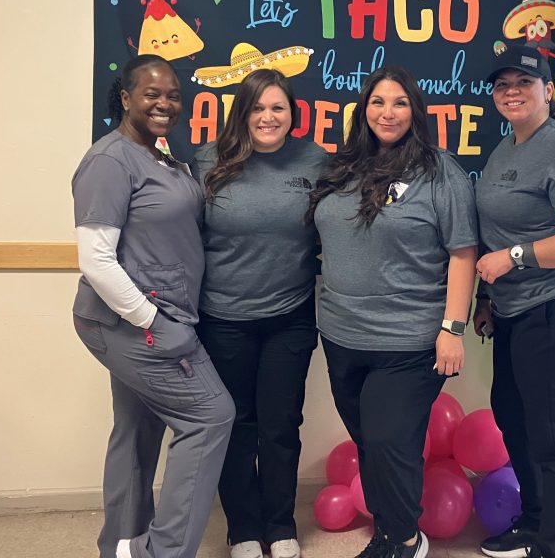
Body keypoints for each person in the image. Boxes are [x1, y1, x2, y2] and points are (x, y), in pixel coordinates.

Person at [307, 66, 478, 558]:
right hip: (341, 335)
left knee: (389, 442)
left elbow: (462, 252)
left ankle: (404, 539)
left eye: (400, 102)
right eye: (378, 102)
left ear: (415, 111)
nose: (388, 112)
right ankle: (388, 528)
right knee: (368, 441)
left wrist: (452, 329)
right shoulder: (341, 167)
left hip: (410, 339)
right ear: (364, 109)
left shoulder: (438, 169)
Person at [71, 54, 235, 558]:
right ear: (125, 98)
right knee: (211, 416)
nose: (165, 103)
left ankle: (122, 546)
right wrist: (153, 323)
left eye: (173, 95)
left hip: (159, 315)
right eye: (151, 93)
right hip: (129, 321)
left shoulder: (162, 155)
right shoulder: (109, 160)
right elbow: (96, 260)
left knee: (138, 430)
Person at [473, 44, 555, 558]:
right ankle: (532, 521)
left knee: (553, 435)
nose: (511, 92)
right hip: (512, 310)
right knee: (514, 417)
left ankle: (552, 545)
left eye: (523, 83)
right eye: (502, 85)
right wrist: (489, 296)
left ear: (547, 90)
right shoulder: (508, 148)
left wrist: (514, 256)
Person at [192, 69, 327, 558]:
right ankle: (243, 528)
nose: (268, 117)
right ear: (242, 112)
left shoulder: (315, 160)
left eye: (278, 108)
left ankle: (280, 524)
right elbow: (182, 239)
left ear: (292, 113)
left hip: (289, 316)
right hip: (222, 319)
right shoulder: (208, 161)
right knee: (236, 423)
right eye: (257, 107)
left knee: (281, 424)